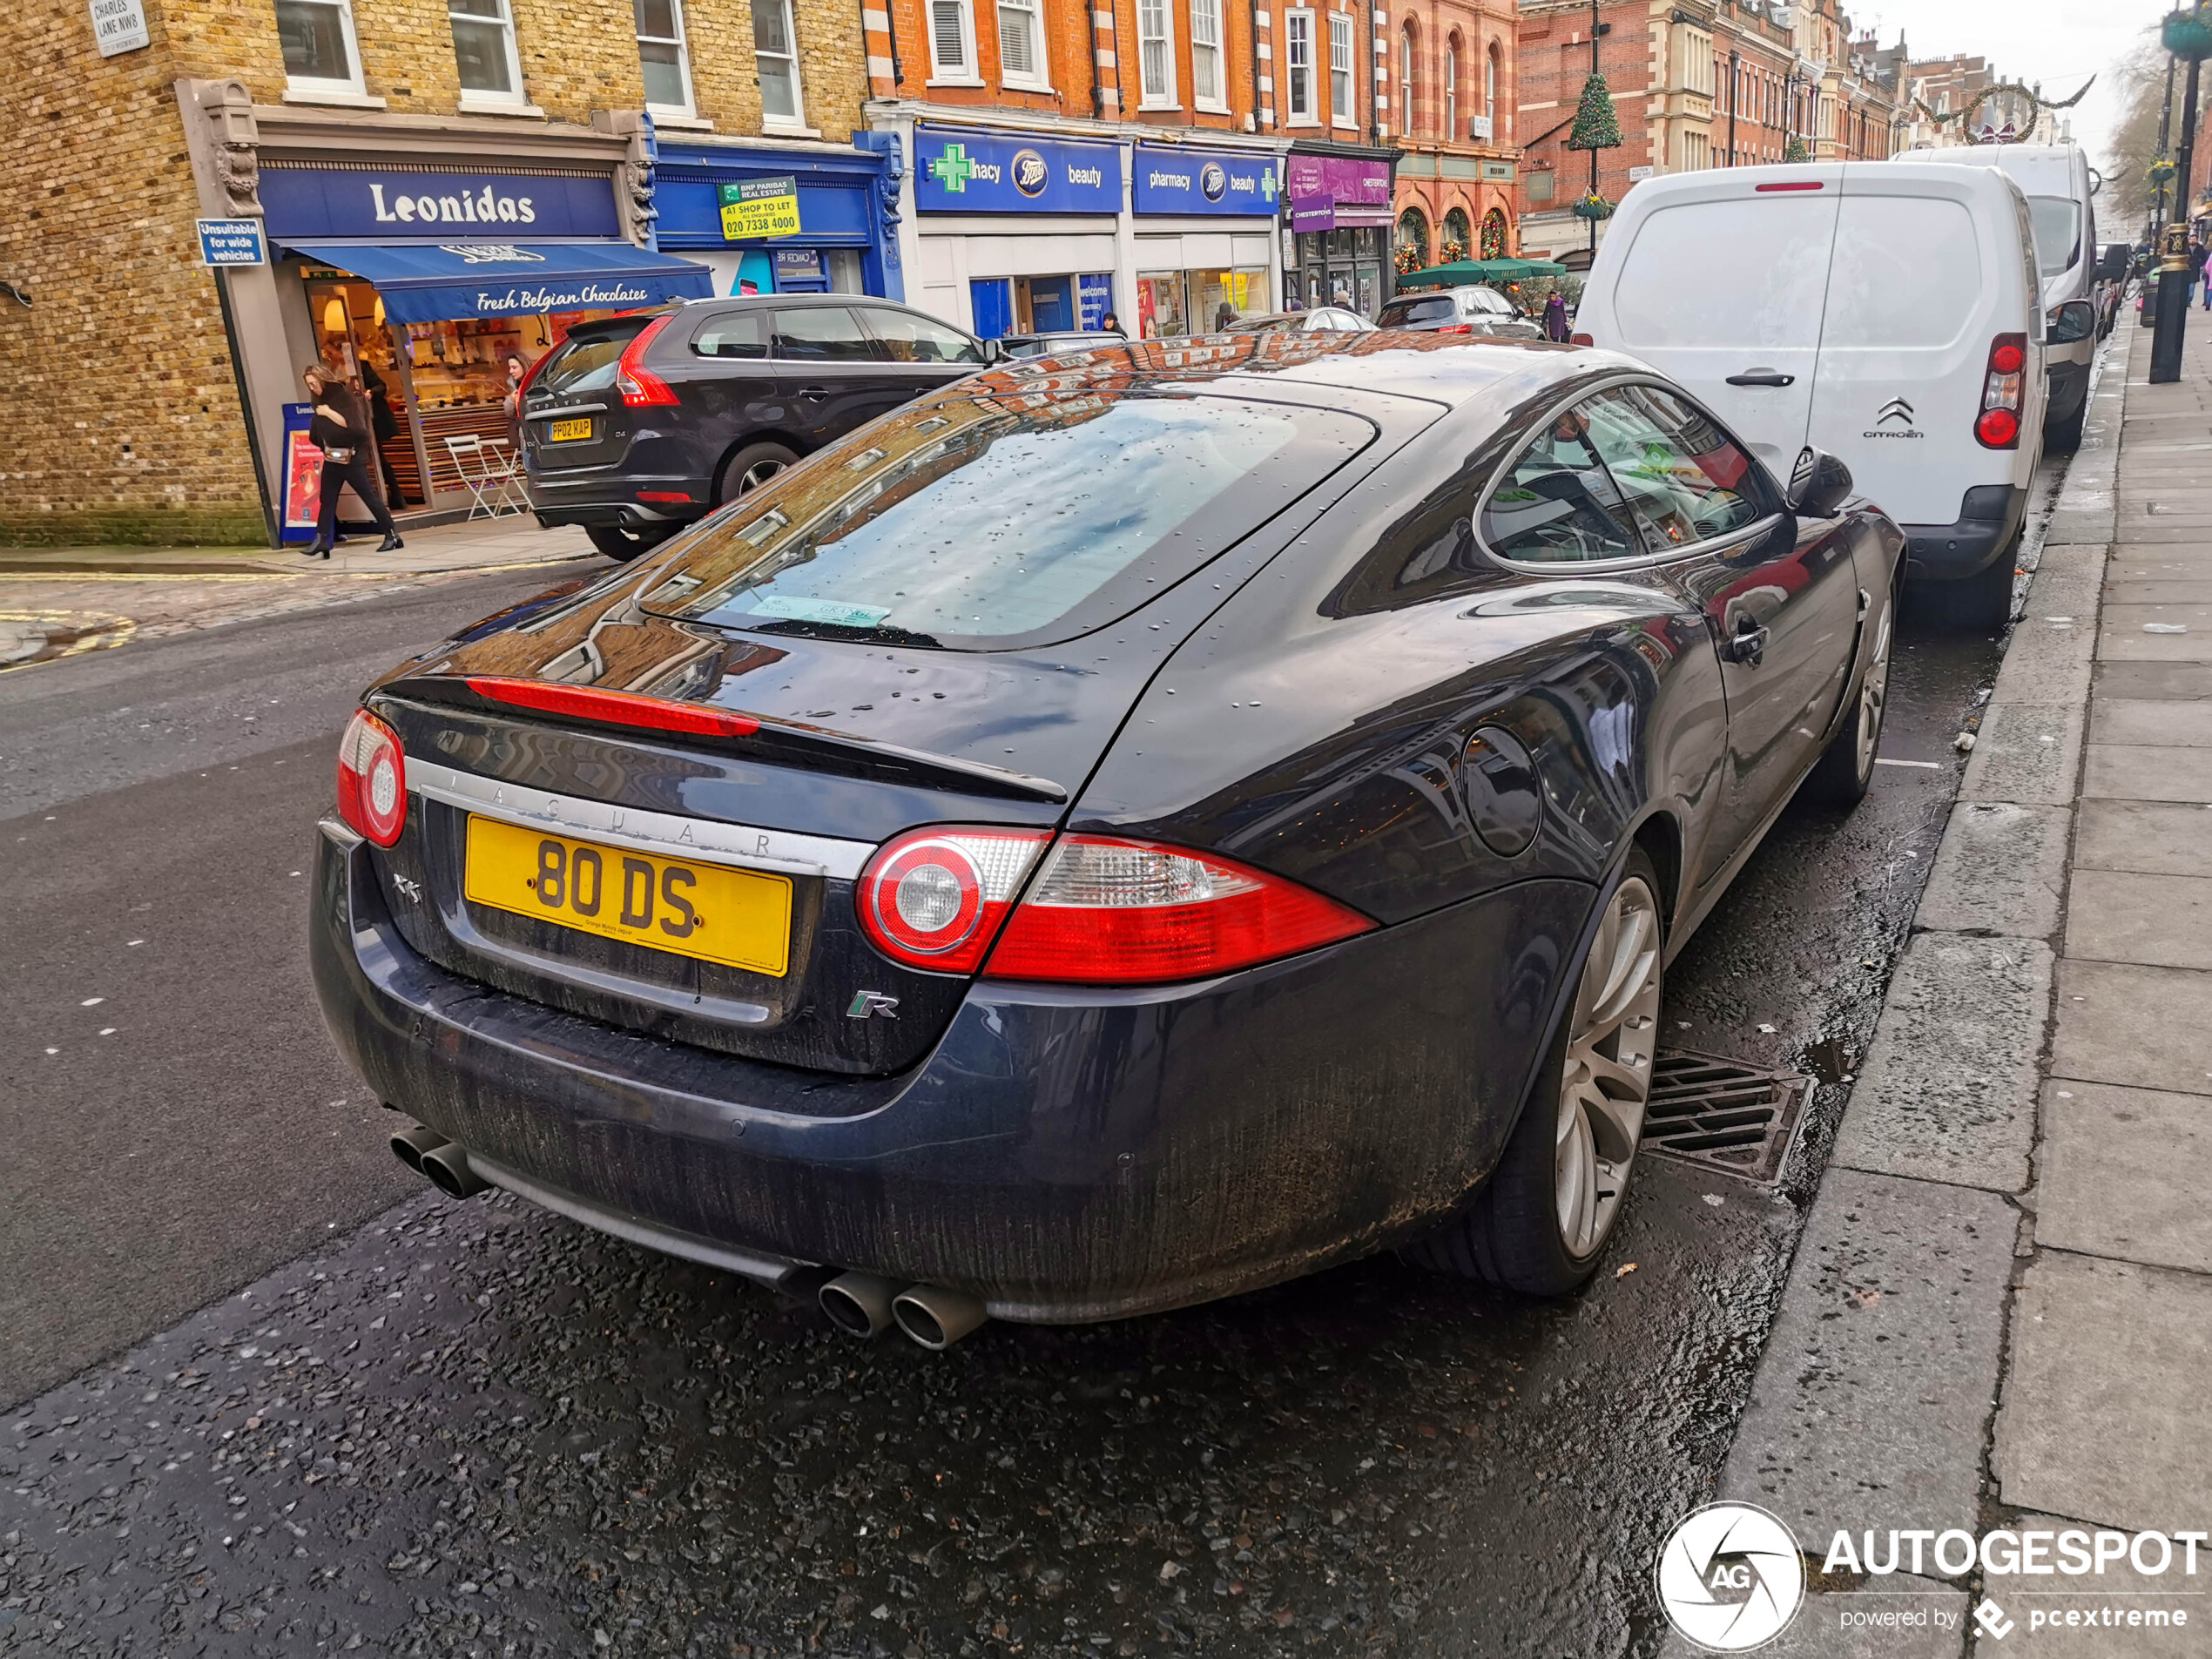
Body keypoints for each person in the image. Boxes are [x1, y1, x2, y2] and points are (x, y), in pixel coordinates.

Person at [301, 364, 401, 558]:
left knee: (368, 496)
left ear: (323, 379)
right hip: (332, 456)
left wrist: (328, 413)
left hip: (351, 456)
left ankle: (391, 534)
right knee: (327, 499)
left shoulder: (342, 396)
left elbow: (355, 426)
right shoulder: (318, 400)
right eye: (309, 385)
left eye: (314, 383)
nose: (312, 388)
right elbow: (318, 430)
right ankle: (322, 539)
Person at [357, 358, 408, 506]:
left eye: (330, 352)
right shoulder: (332, 369)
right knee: (374, 457)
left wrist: (370, 393)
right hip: (354, 420)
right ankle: (391, 495)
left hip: (370, 418)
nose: (327, 356)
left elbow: (381, 386)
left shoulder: (360, 366)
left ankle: (395, 494)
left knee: (377, 456)